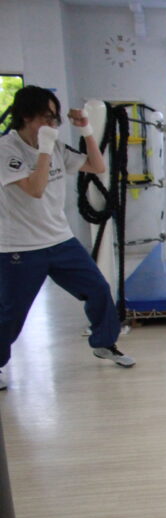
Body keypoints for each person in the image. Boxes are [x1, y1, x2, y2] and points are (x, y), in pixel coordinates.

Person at [0, 86, 135, 390]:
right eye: (46, 117)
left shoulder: (57, 147)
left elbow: (97, 166)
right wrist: (45, 149)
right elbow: (35, 189)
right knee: (10, 313)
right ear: (26, 116)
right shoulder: (6, 149)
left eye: (54, 118)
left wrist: (86, 129)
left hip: (61, 240)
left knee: (98, 289)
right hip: (19, 247)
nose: (52, 123)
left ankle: (104, 343)